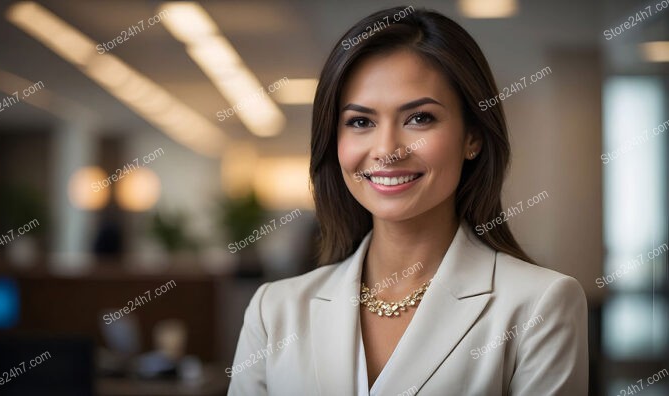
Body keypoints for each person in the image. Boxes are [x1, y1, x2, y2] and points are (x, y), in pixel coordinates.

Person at [229, 6, 588, 395]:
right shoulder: (275, 310)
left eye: (419, 118)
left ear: (473, 137)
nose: (387, 150)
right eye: (361, 122)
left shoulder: (539, 305)